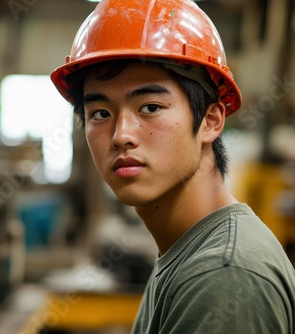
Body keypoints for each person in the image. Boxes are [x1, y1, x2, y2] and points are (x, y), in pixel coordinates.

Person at [50, 0, 295, 333]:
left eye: (150, 107)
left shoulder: (223, 276)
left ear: (210, 120)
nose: (122, 136)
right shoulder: (185, 250)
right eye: (101, 114)